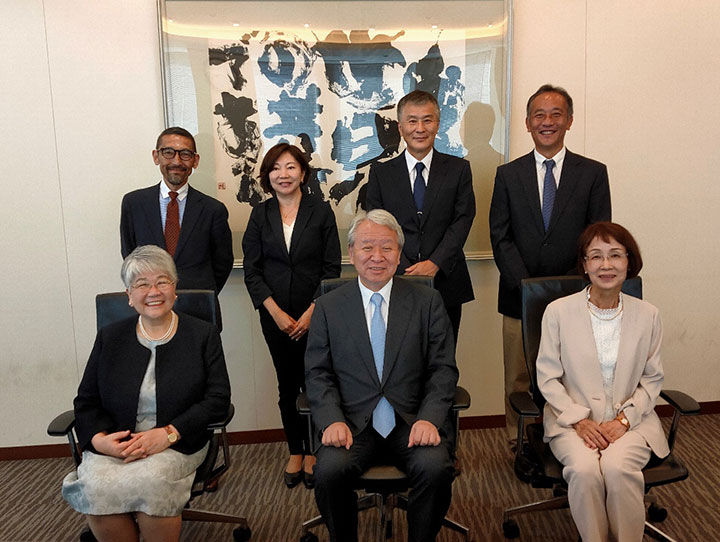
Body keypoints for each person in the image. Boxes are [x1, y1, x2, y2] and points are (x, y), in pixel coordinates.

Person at [305, 209, 458, 542]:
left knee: (435, 469)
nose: (377, 257)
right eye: (367, 247)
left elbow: (442, 369)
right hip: (351, 424)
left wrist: (430, 419)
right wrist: (331, 420)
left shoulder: (427, 301)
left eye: (387, 248)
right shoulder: (329, 307)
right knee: (329, 472)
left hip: (411, 421)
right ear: (351, 253)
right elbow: (317, 373)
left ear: (399, 255)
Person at [62, 245, 231, 542]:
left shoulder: (202, 335)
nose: (153, 291)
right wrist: (101, 441)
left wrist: (167, 434)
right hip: (117, 442)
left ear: (175, 288)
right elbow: (86, 400)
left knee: (153, 482)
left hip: (177, 442)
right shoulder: (110, 338)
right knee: (98, 486)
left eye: (162, 281)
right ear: (129, 295)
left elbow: (217, 400)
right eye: (142, 284)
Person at [489, 84, 611, 444]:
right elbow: (501, 235)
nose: (547, 121)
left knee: (572, 374)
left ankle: (569, 437)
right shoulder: (508, 175)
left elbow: (597, 238)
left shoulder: (592, 173)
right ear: (527, 123)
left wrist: (569, 288)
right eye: (539, 115)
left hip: (577, 298)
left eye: (556, 114)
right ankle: (519, 440)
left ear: (569, 121)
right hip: (517, 296)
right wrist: (529, 289)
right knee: (519, 376)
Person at [536, 222, 668, 542]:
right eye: (595, 256)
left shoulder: (648, 314)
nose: (605, 265)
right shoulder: (558, 312)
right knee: (584, 471)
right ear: (584, 264)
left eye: (615, 255)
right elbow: (548, 377)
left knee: (617, 468)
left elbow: (652, 378)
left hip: (631, 423)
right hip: (572, 423)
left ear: (629, 262)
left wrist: (625, 420)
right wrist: (580, 420)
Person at [242, 143, 341, 489]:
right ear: (267, 176)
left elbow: (331, 269)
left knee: (316, 382)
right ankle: (295, 450)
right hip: (275, 317)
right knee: (287, 385)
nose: (283, 175)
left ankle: (315, 449)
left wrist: (313, 310)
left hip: (317, 315)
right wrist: (276, 313)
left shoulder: (321, 212)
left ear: (303, 173)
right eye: (276, 168)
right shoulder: (260, 214)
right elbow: (252, 272)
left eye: (290, 167)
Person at [366, 90, 475, 344]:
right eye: (412, 121)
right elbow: (377, 224)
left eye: (427, 120)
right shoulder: (382, 173)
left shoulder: (458, 170)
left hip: (446, 281)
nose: (420, 128)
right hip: (395, 280)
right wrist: (403, 267)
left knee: (443, 359)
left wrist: (434, 263)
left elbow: (463, 219)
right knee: (401, 360)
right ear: (401, 127)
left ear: (437, 124)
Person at [120, 126, 234, 298]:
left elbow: (223, 263)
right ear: (156, 156)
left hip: (198, 304)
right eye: (168, 152)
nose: (177, 161)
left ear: (195, 161)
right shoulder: (134, 203)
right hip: (150, 303)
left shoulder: (213, 210)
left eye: (185, 154)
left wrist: (204, 294)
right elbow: (129, 255)